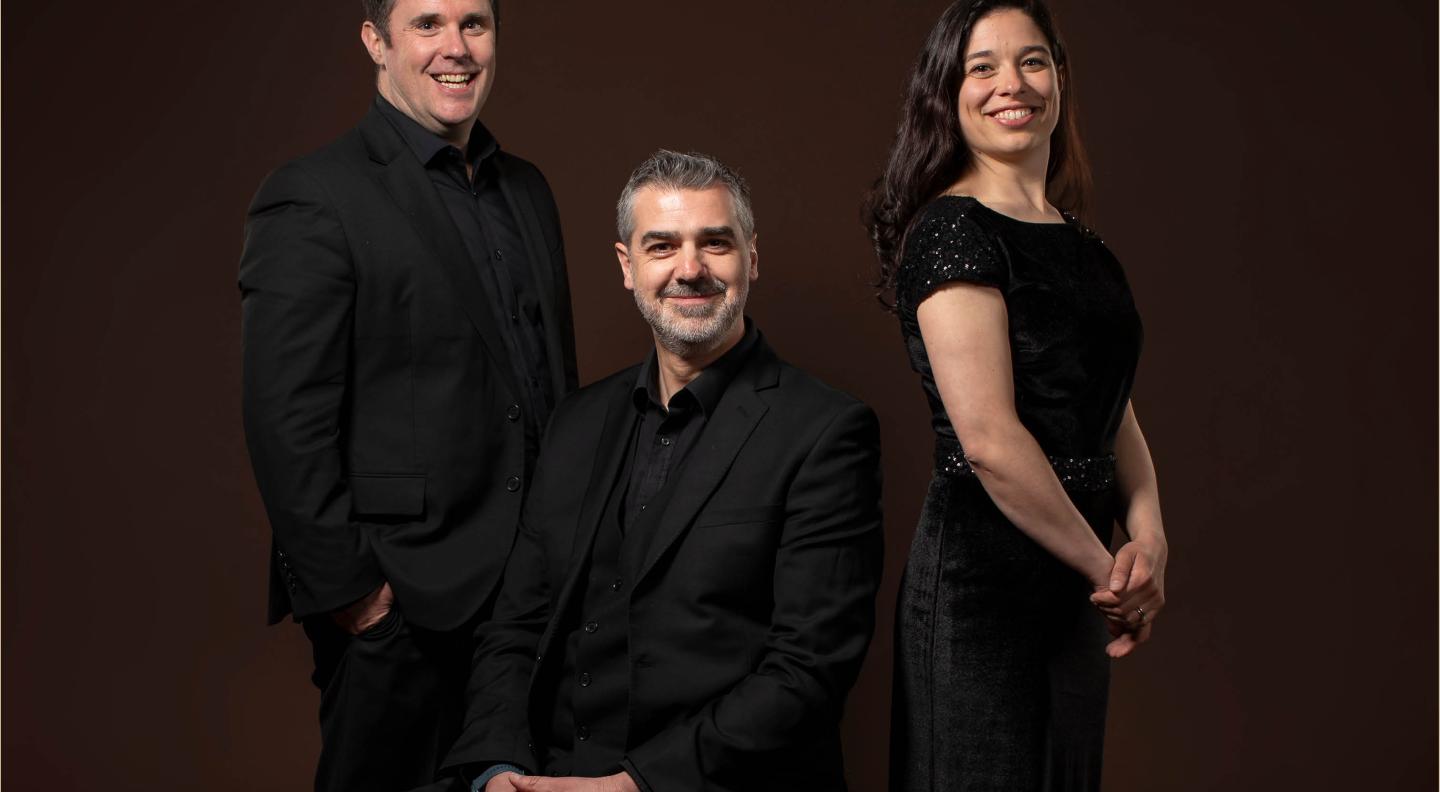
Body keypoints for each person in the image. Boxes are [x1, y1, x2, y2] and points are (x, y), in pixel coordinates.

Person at [441, 150, 884, 792]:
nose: (690, 269)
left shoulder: (826, 431)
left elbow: (806, 670)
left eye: (715, 243)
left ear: (751, 258)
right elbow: (516, 627)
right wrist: (498, 769)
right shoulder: (577, 422)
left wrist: (632, 786)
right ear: (627, 266)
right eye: (662, 245)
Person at [238, 0, 576, 789]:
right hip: (405, 600)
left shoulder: (527, 190)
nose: (455, 48)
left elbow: (548, 381)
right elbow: (283, 417)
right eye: (427, 23)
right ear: (375, 42)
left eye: (475, 24)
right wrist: (358, 600)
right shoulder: (314, 194)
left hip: (534, 599)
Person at [865, 1, 1169, 789]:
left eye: (1033, 61)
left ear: (1059, 79)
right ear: (948, 91)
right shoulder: (953, 232)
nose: (1013, 84)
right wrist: (1110, 572)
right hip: (983, 589)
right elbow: (991, 442)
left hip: (1076, 583)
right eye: (983, 66)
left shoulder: (1079, 239)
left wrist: (1151, 536)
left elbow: (1113, 403)